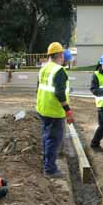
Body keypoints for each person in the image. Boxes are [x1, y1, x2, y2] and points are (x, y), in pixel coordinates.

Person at [36, 42, 74, 178]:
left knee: (47, 137)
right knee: (53, 139)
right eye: (62, 54)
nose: (64, 56)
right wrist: (68, 110)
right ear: (59, 54)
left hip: (43, 109)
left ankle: (46, 162)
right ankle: (50, 169)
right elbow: (59, 93)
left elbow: (39, 89)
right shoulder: (59, 71)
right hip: (54, 111)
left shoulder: (44, 69)